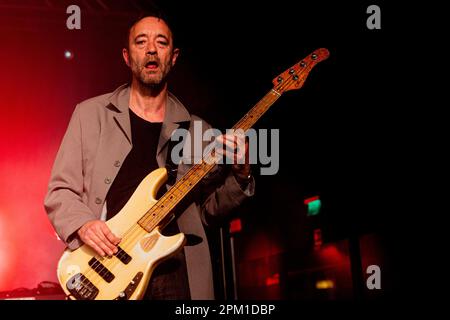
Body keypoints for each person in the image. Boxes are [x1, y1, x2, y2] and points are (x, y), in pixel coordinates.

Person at [44, 10, 254, 300]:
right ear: (127, 57)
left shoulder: (199, 131)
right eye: (141, 42)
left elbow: (207, 213)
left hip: (177, 270)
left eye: (161, 42)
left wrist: (241, 175)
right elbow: (60, 191)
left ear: (174, 56)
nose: (151, 49)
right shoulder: (89, 115)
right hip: (109, 266)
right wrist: (83, 224)